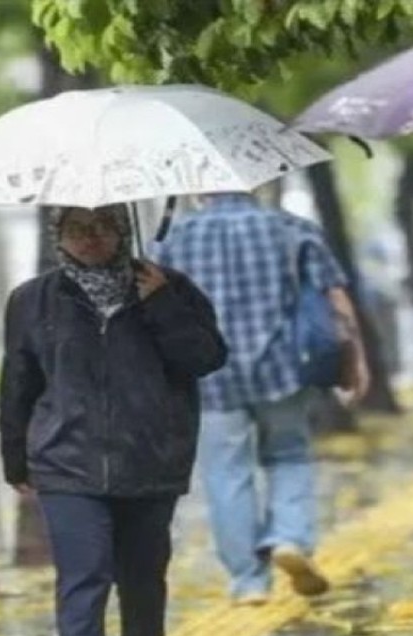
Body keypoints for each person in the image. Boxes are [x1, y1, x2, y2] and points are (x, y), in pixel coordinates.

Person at [0, 205, 227, 636]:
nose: (90, 239)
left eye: (103, 227)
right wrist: (16, 457)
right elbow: (18, 382)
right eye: (77, 229)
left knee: (143, 576)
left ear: (123, 230)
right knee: (84, 573)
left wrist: (161, 305)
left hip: (150, 456)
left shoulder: (171, 288)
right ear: (58, 235)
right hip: (65, 459)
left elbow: (206, 358)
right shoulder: (33, 299)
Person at [155, 192, 369, 606]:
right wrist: (357, 361)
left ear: (200, 188)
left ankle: (248, 581)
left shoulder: (171, 240)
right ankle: (288, 537)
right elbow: (336, 300)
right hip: (283, 368)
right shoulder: (292, 228)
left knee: (225, 473)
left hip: (209, 375)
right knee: (289, 455)